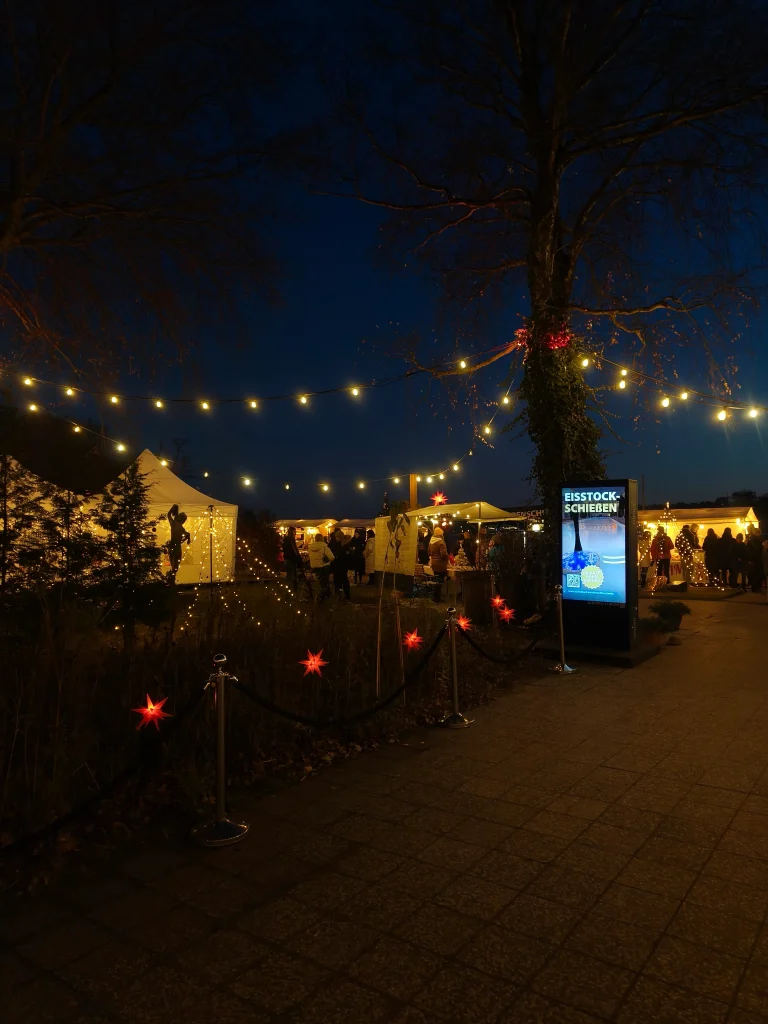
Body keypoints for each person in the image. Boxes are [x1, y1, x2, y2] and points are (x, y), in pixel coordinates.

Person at [166, 504, 191, 581]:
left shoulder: (175, 524)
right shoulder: (178, 526)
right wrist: (187, 539)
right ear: (183, 520)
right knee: (175, 564)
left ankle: (171, 577)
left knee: (174, 563)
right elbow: (186, 535)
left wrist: (172, 508)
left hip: (172, 546)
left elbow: (168, 515)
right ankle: (172, 577)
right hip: (175, 547)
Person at [308, 531, 334, 601]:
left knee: (321, 581)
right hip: (323, 567)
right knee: (325, 582)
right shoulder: (325, 547)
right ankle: (322, 596)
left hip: (314, 567)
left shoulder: (310, 547)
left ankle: (327, 593)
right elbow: (332, 558)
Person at [429, 525, 450, 602]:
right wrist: (447, 558)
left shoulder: (431, 541)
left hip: (433, 564)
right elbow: (443, 554)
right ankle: (437, 597)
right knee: (440, 581)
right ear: (440, 534)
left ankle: (435, 596)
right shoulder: (441, 542)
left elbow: (429, 552)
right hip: (441, 565)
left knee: (436, 580)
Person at [329, 527, 351, 599]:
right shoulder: (344, 544)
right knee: (342, 580)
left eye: (337, 537)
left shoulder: (341, 545)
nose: (336, 538)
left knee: (340, 581)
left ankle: (341, 595)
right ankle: (342, 595)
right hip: (342, 566)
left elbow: (338, 555)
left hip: (339, 566)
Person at [282, 526, 302, 591]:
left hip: (287, 560)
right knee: (290, 577)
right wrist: (298, 558)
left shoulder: (286, 540)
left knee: (291, 576)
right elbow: (294, 551)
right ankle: (289, 591)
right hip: (290, 560)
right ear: (292, 532)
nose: (295, 533)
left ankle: (292, 590)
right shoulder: (290, 540)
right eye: (294, 532)